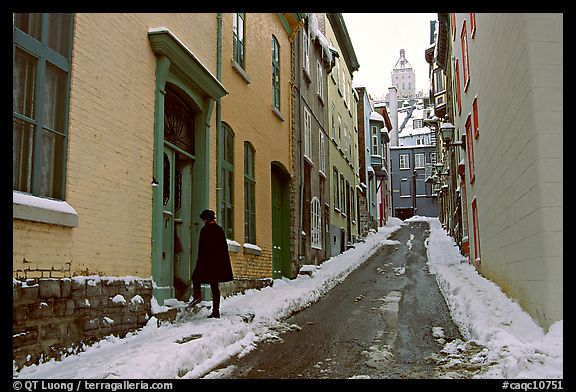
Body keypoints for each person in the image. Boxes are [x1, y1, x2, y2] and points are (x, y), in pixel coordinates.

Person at [190, 209, 234, 318]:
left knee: (195, 277)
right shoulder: (220, 230)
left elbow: (202, 249)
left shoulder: (205, 230)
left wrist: (199, 264)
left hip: (206, 262)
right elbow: (224, 248)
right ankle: (216, 311)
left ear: (205, 219)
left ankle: (197, 297)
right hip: (217, 264)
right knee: (215, 287)